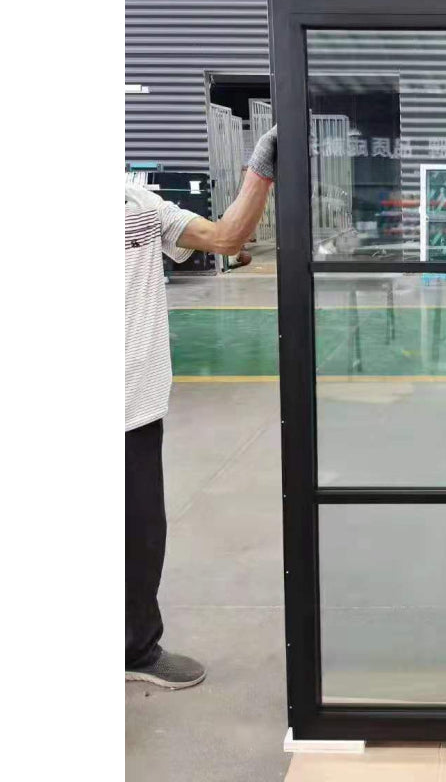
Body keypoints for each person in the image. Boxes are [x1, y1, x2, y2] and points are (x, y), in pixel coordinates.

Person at [125, 127, 278, 689]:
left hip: (131, 408)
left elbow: (227, 237)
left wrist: (262, 165)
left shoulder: (136, 203)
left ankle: (133, 649)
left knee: (139, 538)